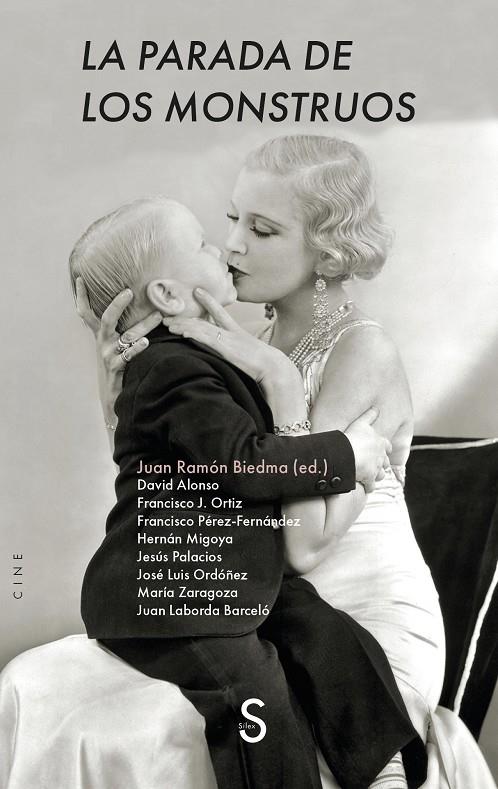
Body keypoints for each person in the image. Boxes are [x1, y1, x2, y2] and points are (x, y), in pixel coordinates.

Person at [80, 135, 497, 788]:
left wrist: (281, 386)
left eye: (262, 229)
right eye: (232, 219)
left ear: (327, 252)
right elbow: (192, 481)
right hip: (264, 611)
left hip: (356, 643)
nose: (232, 245)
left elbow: (302, 546)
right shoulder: (244, 340)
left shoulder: (361, 351)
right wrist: (119, 394)